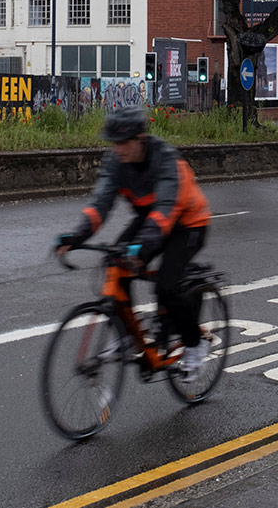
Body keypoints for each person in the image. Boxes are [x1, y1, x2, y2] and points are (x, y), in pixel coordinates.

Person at [56, 104, 213, 379]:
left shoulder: (166, 159)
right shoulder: (116, 161)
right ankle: (128, 335)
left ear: (139, 139)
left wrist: (141, 248)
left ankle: (195, 344)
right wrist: (76, 236)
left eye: (122, 143)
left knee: (166, 285)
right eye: (113, 143)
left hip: (188, 223)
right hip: (151, 218)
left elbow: (165, 210)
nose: (117, 149)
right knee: (115, 264)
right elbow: (100, 203)